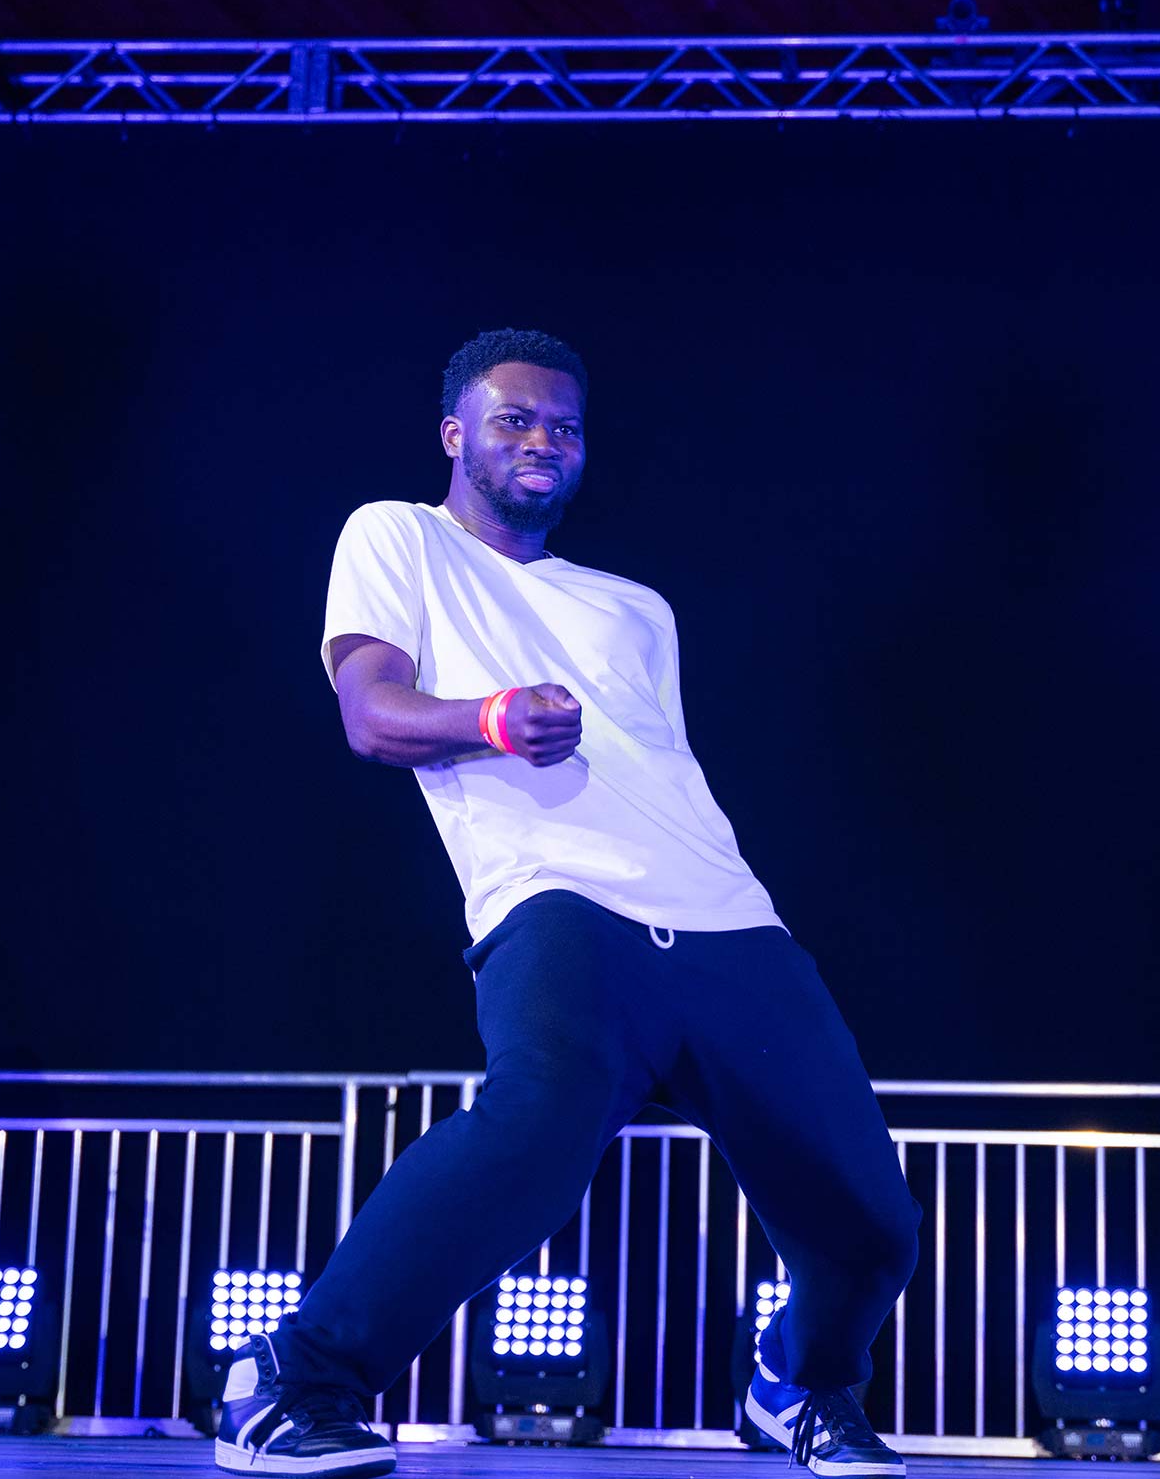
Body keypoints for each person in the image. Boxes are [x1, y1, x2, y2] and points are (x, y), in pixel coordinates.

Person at [215, 332, 921, 1478]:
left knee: (870, 1221)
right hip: (556, 904)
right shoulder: (396, 535)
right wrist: (490, 719)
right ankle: (291, 1382)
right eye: (514, 420)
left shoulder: (636, 608)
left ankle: (798, 1387)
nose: (542, 440)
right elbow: (371, 714)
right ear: (456, 434)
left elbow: (664, 768)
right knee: (536, 1132)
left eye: (563, 426)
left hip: (727, 919)